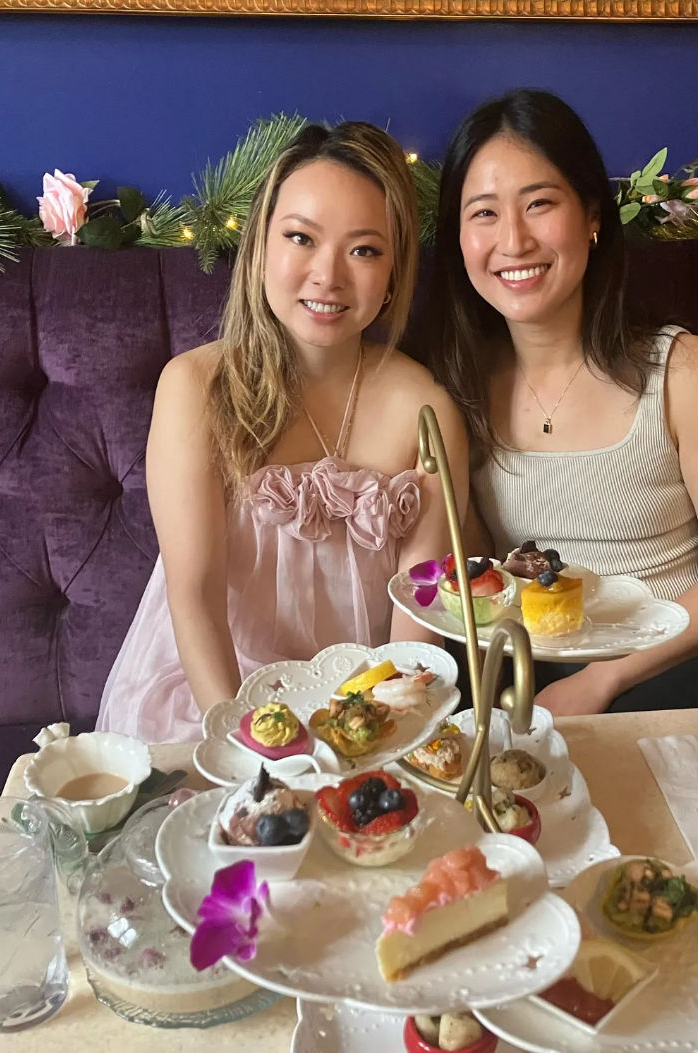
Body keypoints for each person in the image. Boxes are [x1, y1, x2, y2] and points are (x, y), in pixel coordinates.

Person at [97, 122, 467, 742]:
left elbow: (417, 613)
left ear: (395, 270)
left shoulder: (425, 410)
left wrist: (372, 738)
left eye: (364, 249)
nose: (328, 276)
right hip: (209, 692)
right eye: (301, 238)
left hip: (365, 709)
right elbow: (195, 594)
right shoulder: (196, 387)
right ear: (261, 248)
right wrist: (249, 742)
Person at [427, 89, 698, 717]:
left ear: (592, 216)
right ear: (459, 240)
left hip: (677, 672)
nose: (513, 240)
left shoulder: (683, 370)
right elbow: (485, 570)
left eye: (540, 204)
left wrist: (604, 680)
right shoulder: (457, 385)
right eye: (483, 213)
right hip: (528, 670)